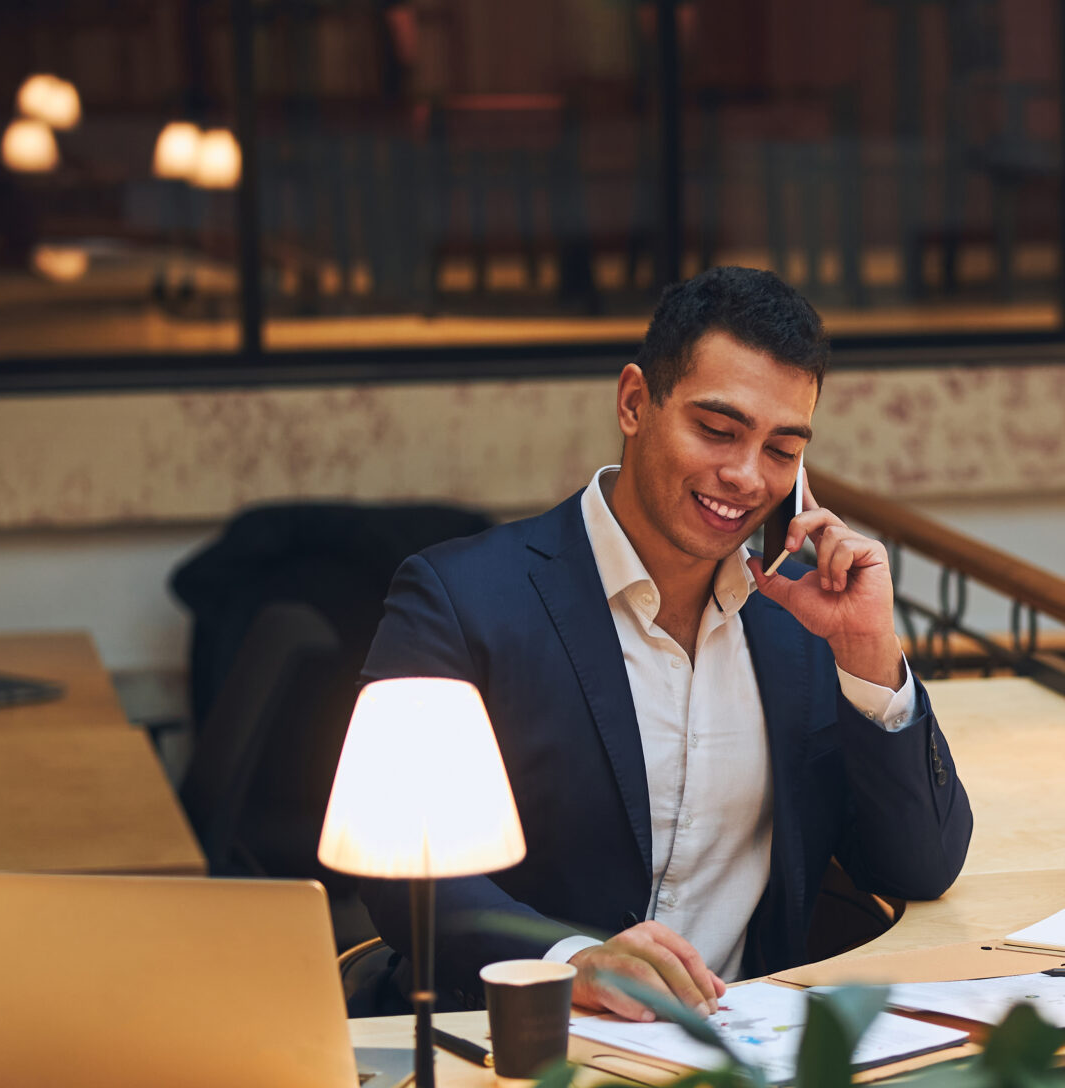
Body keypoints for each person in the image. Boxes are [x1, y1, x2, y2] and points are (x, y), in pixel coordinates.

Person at [359, 267, 973, 1021]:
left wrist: (869, 652)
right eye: (717, 431)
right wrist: (569, 962)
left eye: (782, 450)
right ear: (634, 402)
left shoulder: (803, 621)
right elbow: (402, 871)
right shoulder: (460, 599)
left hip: (742, 1063)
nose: (745, 476)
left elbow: (920, 863)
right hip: (521, 1052)